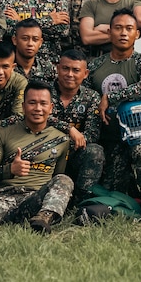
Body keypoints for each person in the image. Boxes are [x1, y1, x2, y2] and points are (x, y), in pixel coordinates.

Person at [0, 81, 74, 234]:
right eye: (32, 103)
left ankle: (43, 220)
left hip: (35, 198)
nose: (37, 108)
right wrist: (10, 169)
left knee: (64, 180)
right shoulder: (2, 134)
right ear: (23, 107)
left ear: (51, 108)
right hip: (2, 196)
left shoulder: (62, 140)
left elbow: (57, 175)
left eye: (43, 103)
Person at [86, 8, 141, 212]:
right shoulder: (95, 65)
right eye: (118, 28)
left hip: (139, 136)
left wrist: (111, 97)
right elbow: (86, 97)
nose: (123, 33)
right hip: (109, 138)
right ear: (109, 32)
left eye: (129, 28)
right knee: (114, 191)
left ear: (138, 34)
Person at [48, 49, 104, 200]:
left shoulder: (91, 97)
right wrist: (69, 129)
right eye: (65, 68)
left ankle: (80, 201)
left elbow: (92, 134)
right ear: (57, 68)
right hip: (46, 150)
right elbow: (37, 118)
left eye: (76, 70)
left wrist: (68, 144)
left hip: (75, 152)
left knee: (95, 151)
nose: (70, 74)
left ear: (85, 74)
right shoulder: (44, 92)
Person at [10, 18, 55, 82]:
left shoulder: (48, 68)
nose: (30, 44)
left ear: (40, 43)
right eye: (25, 39)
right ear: (15, 40)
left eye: (35, 39)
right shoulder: (7, 68)